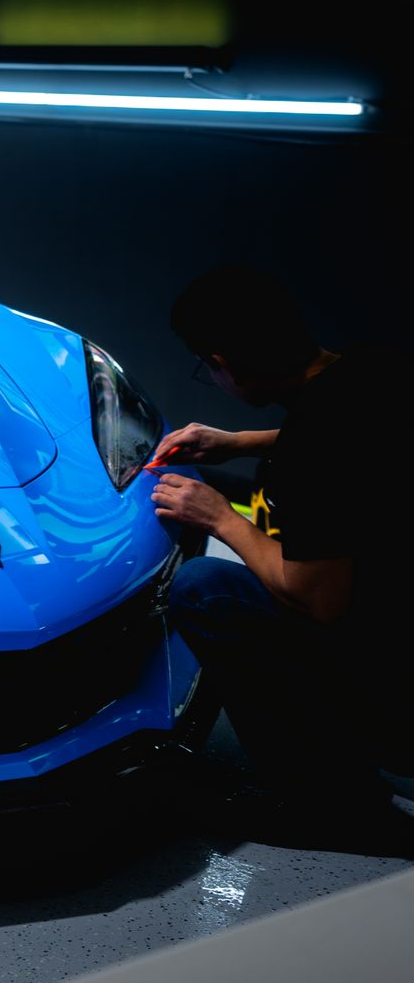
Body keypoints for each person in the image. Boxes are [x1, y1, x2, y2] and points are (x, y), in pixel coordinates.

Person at [151, 264, 412, 816]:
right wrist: (240, 442)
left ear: (220, 364)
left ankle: (326, 797)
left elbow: (318, 597)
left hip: (390, 682)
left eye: (206, 367)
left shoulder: (313, 456)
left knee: (203, 587)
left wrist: (222, 518)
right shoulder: (375, 367)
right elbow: (337, 430)